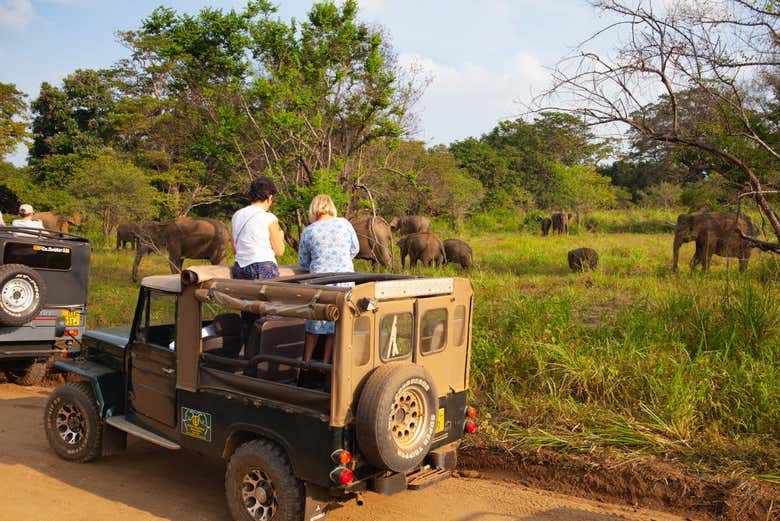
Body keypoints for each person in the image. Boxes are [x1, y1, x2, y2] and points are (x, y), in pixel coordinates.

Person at [298, 194, 359, 364]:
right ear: (331, 207)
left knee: (314, 322)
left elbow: (303, 262)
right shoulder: (344, 224)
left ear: (313, 210)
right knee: (335, 322)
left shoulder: (309, 230)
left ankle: (306, 363)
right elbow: (355, 249)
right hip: (345, 281)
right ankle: (326, 364)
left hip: (320, 281)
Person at [231, 176, 285, 343]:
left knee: (248, 316)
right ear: (269, 198)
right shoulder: (269, 218)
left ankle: (249, 356)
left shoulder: (237, 215)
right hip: (263, 267)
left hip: (240, 268)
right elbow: (279, 250)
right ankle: (268, 358)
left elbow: (235, 248)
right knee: (270, 316)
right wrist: (281, 236)